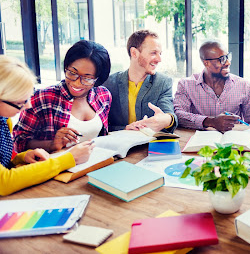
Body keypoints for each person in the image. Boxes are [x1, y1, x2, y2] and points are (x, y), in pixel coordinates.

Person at [0, 56, 94, 196]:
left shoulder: (3, 119)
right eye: (21, 102)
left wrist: (23, 157)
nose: (28, 106)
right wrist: (69, 159)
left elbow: (5, 161)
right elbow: (4, 183)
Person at [14, 40, 112, 153]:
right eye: (72, 73)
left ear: (98, 79)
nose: (77, 83)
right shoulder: (42, 98)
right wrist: (52, 144)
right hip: (57, 168)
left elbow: (104, 135)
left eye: (87, 78)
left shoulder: (103, 96)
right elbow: (19, 142)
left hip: (96, 164)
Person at [174, 41, 250, 132]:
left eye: (228, 57)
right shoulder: (186, 85)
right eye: (222, 59)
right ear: (206, 63)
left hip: (234, 141)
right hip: (200, 142)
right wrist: (211, 121)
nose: (228, 63)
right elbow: (178, 115)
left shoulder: (243, 85)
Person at [104, 30, 177, 133]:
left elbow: (168, 113)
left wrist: (167, 119)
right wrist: (124, 129)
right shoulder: (109, 83)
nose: (159, 59)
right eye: (153, 53)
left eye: (160, 53)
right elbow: (101, 126)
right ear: (134, 53)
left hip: (149, 146)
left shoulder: (163, 82)